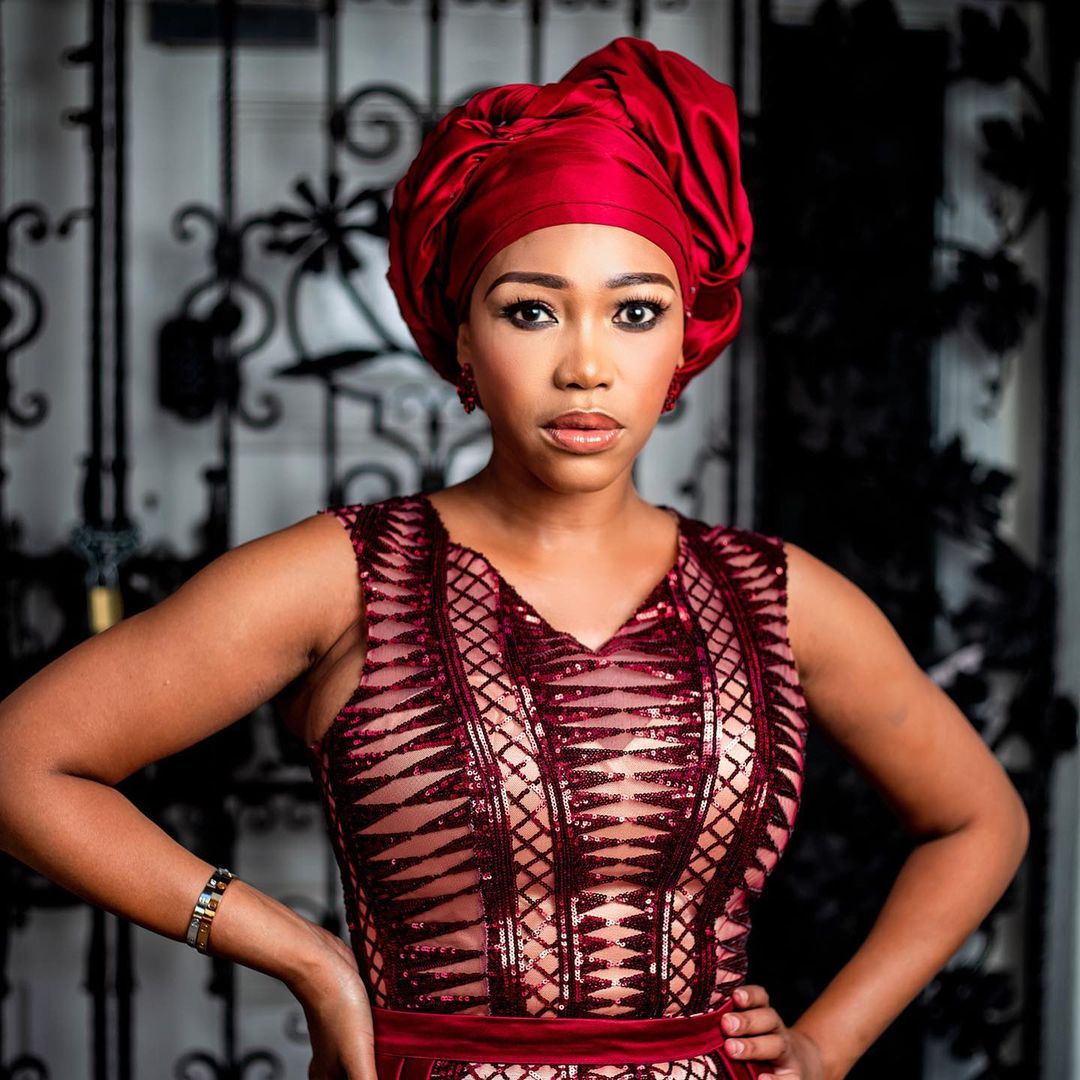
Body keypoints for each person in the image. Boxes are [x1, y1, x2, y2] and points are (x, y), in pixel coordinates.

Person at [0, 35, 1027, 1080]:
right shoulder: (346, 578)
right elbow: (18, 765)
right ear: (461, 338)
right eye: (531, 310)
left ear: (687, 337)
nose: (586, 364)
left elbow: (978, 820)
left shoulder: (778, 597)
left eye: (635, 311)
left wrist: (828, 1043)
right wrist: (303, 955)